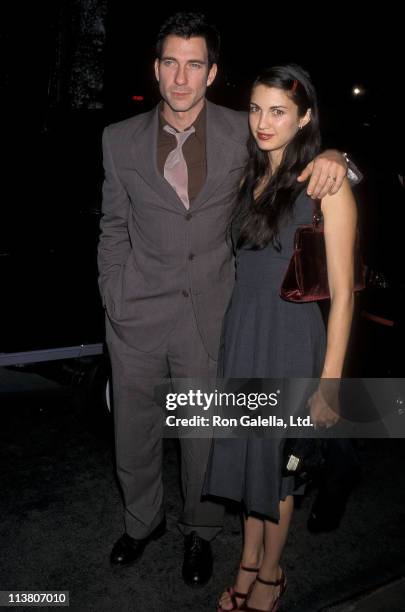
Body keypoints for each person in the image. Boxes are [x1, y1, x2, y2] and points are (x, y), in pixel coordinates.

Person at [97, 12, 350, 587]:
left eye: (194, 65)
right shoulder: (118, 139)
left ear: (212, 73)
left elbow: (302, 148)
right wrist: (114, 296)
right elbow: (113, 225)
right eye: (170, 63)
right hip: (135, 314)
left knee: (205, 438)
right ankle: (142, 524)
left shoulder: (245, 128)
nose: (180, 78)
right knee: (133, 433)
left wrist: (341, 158)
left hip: (214, 314)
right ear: (156, 68)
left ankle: (201, 532)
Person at [202, 63, 357, 611]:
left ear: (304, 117)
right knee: (250, 458)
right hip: (243, 335)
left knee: (280, 470)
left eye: (278, 111)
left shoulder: (324, 186)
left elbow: (343, 295)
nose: (262, 122)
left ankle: (271, 572)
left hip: (291, 340)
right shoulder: (250, 177)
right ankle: (246, 561)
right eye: (255, 108)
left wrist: (331, 383)